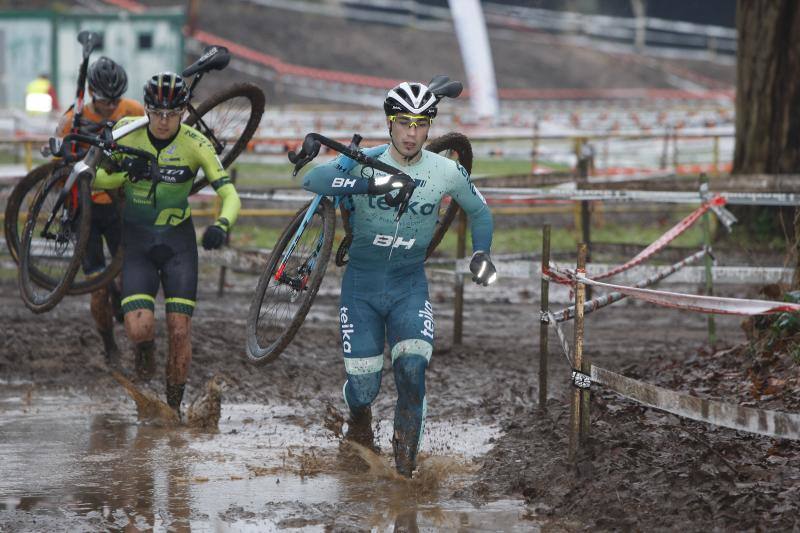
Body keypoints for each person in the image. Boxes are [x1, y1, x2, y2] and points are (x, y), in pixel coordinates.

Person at [301, 80, 496, 477]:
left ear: (429, 127)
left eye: (421, 124)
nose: (412, 133)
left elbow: (480, 212)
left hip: (409, 286)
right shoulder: (364, 160)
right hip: (362, 287)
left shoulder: (445, 170)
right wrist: (367, 182)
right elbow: (313, 181)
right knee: (364, 389)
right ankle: (358, 416)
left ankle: (403, 475)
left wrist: (482, 254)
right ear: (390, 123)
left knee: (411, 371)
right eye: (404, 122)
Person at [92, 72, 241, 417]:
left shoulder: (196, 143)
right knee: (139, 328)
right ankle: (144, 349)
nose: (163, 121)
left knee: (179, 328)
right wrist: (124, 171)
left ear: (182, 111)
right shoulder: (127, 130)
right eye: (156, 113)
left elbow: (228, 193)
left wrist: (222, 223)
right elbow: (94, 177)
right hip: (138, 241)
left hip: (178, 243)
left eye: (171, 114)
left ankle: (173, 408)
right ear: (146, 109)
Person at [56, 57, 145, 366]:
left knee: (127, 278)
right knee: (98, 288)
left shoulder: (134, 110)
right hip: (86, 211)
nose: (110, 106)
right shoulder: (73, 119)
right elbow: (58, 171)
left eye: (115, 100)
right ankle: (109, 344)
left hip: (119, 204)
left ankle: (125, 307)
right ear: (92, 92)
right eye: (104, 101)